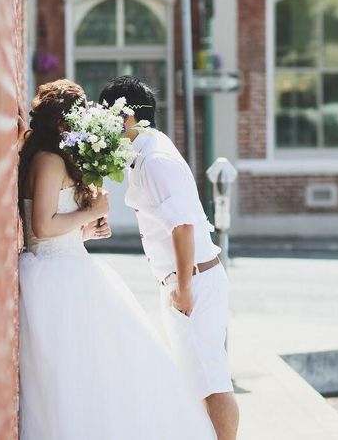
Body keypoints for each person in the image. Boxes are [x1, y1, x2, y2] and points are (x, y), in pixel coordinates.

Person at [18, 79, 216, 440]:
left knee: (104, 367)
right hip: (52, 275)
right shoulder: (48, 161)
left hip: (71, 266)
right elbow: (42, 228)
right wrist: (90, 212)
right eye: (80, 115)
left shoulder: (60, 159)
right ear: (62, 122)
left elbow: (57, 229)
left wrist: (87, 230)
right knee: (69, 375)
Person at [99, 76, 240, 440]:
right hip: (186, 281)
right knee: (197, 380)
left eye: (107, 116)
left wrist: (184, 288)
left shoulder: (156, 160)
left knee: (211, 381)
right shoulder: (148, 150)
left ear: (127, 117)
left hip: (193, 283)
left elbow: (182, 226)